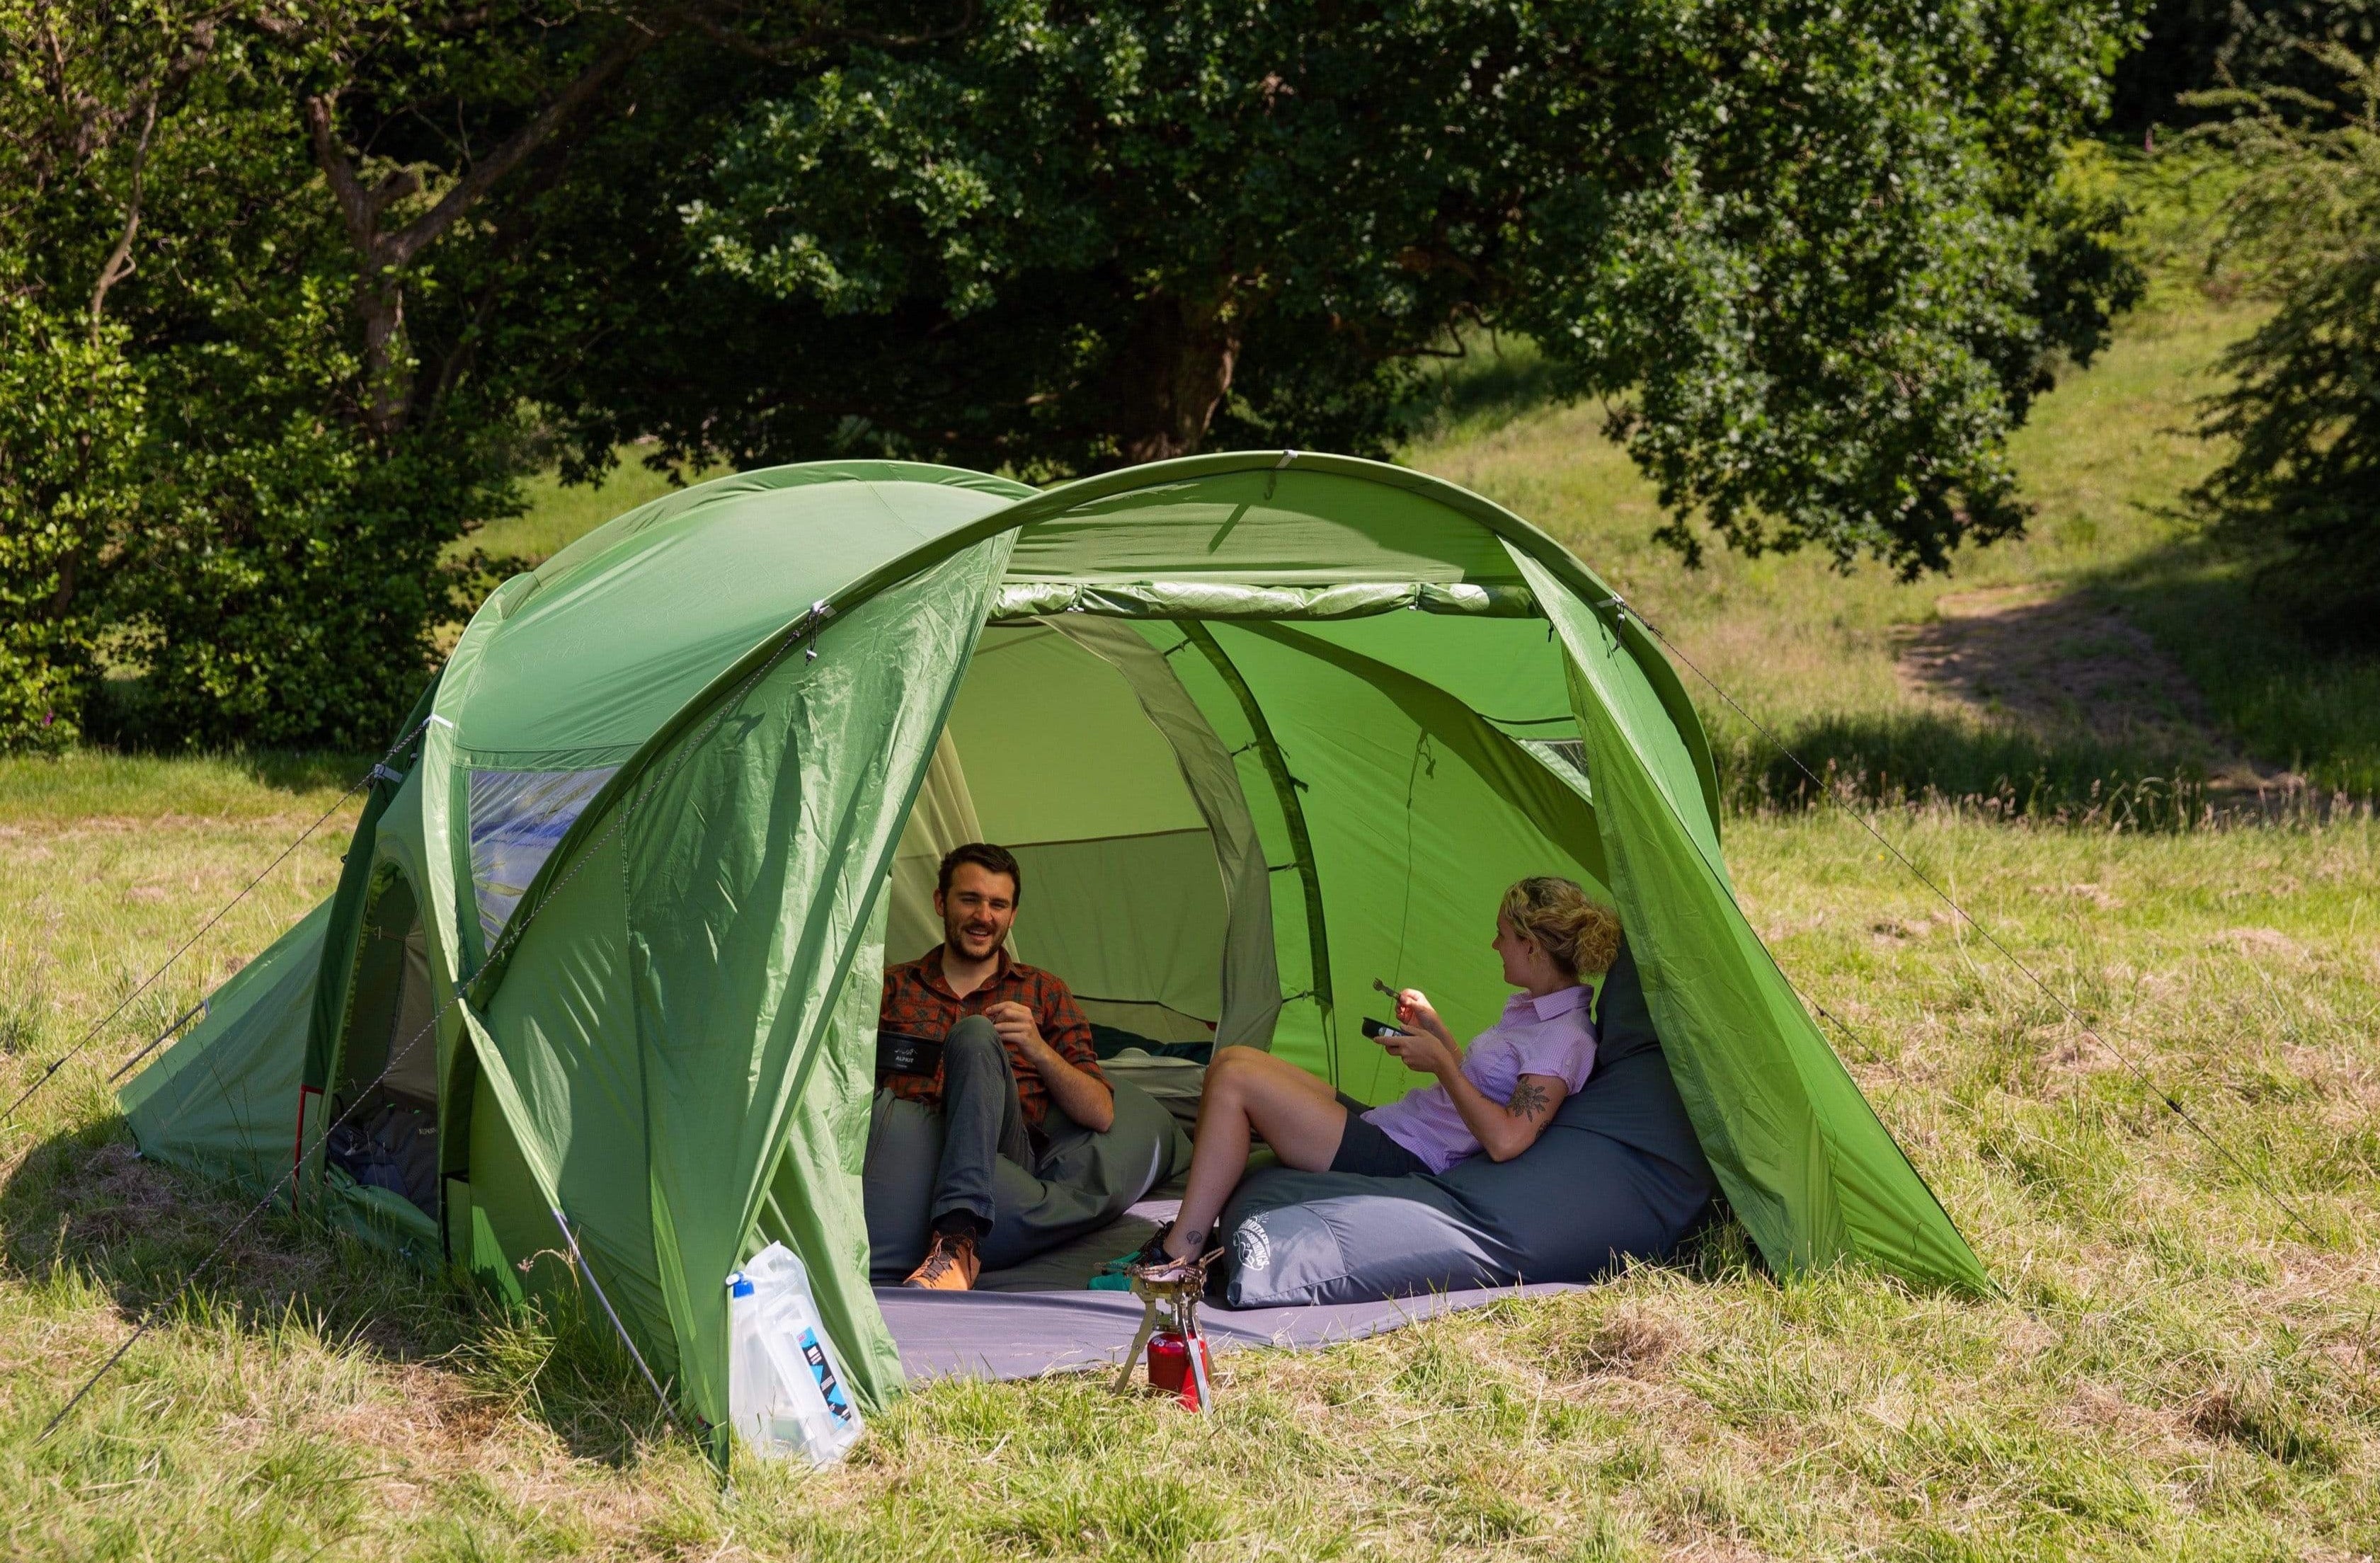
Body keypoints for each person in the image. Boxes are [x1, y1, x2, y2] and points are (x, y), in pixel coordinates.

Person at [1139, 876, 1620, 1279]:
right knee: (1232, 1059)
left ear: (1531, 946)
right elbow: (1480, 1084)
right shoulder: (1532, 1012)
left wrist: (1441, 1064)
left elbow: (1506, 1139)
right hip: (1395, 1124)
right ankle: (1185, 1242)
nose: (1493, 945)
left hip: (1408, 1156)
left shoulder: (1564, 1039)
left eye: (1502, 935)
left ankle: (1178, 1257)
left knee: (1235, 1082)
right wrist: (1437, 1031)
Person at [874, 842, 1115, 1290]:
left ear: (1012, 915)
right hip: (904, 1150)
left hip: (1003, 1162)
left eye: (998, 905)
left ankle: (958, 1242)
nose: (984, 916)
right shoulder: (890, 987)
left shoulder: (1042, 991)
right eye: (970, 899)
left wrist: (1039, 1050)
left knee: (975, 1033)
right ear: (940, 902)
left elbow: (1100, 1111)